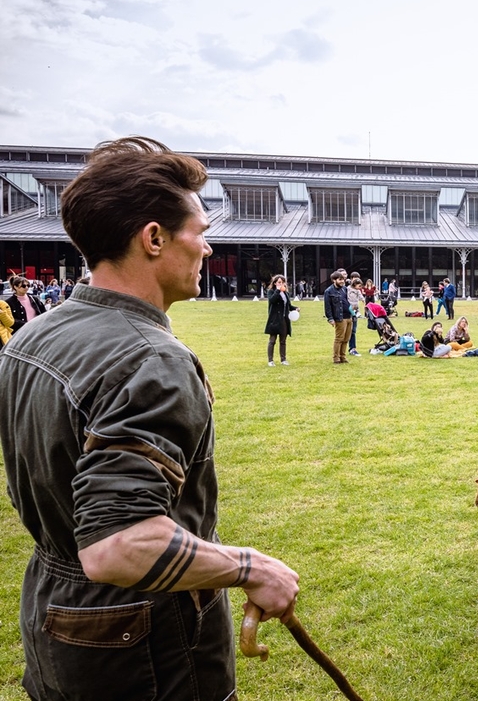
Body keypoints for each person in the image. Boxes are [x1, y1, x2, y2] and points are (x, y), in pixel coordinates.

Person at [0, 136, 298, 700]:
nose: (208, 250)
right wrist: (248, 566)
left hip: (56, 622)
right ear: (154, 238)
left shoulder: (32, 337)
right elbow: (118, 542)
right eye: (201, 233)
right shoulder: (152, 358)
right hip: (147, 649)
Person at [264, 274, 298, 366]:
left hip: (284, 319)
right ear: (275, 283)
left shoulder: (286, 294)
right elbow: (272, 301)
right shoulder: (271, 291)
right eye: (279, 282)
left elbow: (288, 306)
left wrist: (295, 308)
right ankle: (270, 361)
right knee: (272, 340)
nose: (281, 284)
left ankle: (283, 359)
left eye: (283, 282)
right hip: (274, 319)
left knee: (283, 341)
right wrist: (278, 290)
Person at [324, 269, 353, 364]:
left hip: (349, 316)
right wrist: (330, 318)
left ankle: (343, 357)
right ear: (334, 280)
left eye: (343, 280)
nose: (342, 281)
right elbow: (327, 306)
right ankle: (336, 358)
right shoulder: (328, 291)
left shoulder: (344, 289)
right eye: (340, 279)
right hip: (339, 318)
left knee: (346, 339)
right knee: (339, 338)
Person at [346, 277, 365, 356]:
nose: (360, 287)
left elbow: (361, 296)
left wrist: (363, 300)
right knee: (347, 330)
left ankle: (352, 348)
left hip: (355, 310)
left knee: (353, 330)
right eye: (359, 286)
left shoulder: (358, 291)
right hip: (348, 310)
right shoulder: (348, 289)